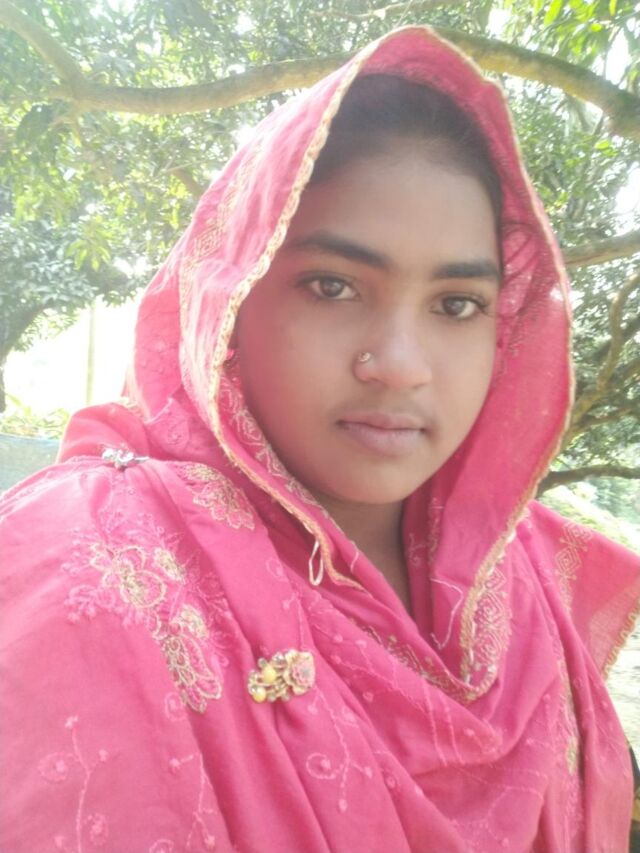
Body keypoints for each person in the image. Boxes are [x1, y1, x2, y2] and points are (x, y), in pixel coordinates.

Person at [1, 26, 638, 853]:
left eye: (456, 305)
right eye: (332, 286)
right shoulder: (86, 560)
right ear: (229, 304)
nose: (400, 365)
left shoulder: (530, 577)